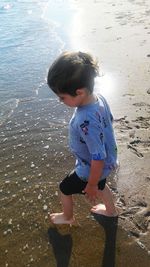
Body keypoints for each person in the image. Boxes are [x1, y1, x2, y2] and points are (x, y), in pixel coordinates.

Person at [47, 51, 118, 224]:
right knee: (102, 185)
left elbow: (97, 157)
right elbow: (110, 119)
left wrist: (91, 185)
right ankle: (111, 211)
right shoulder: (99, 98)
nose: (60, 101)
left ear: (79, 92)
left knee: (64, 189)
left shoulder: (85, 119)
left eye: (62, 97)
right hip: (109, 160)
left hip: (89, 170)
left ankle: (67, 217)